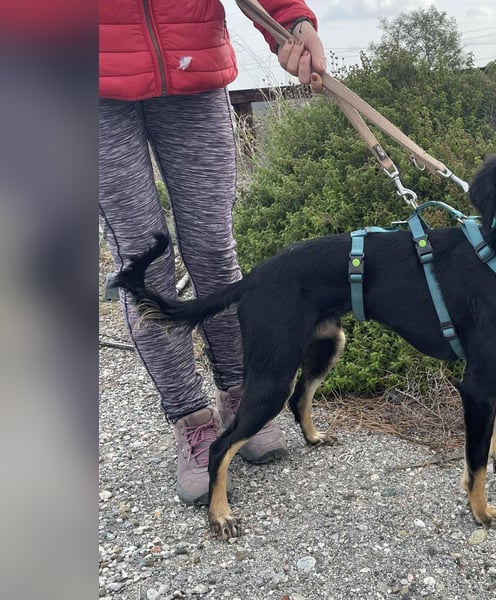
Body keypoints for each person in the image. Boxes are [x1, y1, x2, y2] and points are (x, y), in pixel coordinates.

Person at [99, 0, 326, 504]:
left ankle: (242, 395)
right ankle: (190, 418)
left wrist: (292, 20)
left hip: (194, 67)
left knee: (215, 253)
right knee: (141, 265)